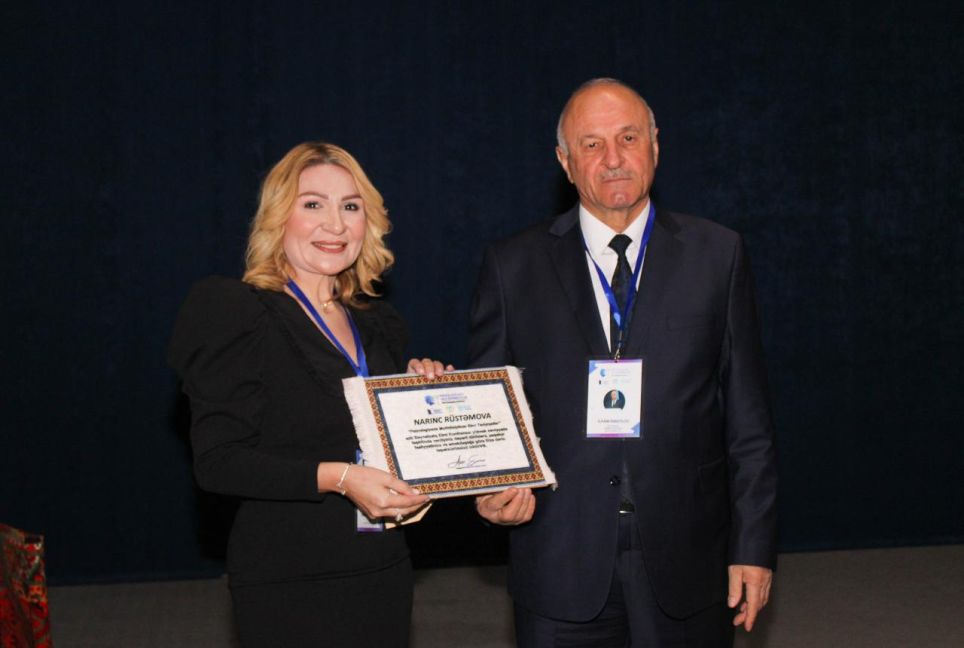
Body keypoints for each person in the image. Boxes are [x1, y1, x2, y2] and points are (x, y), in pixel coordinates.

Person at [470, 79, 777, 646]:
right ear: (565, 162)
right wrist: (489, 489)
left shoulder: (718, 254)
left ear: (655, 146)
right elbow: (492, 407)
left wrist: (753, 546)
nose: (613, 158)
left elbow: (748, 419)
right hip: (559, 559)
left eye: (628, 138)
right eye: (591, 144)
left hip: (689, 556)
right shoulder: (513, 266)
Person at [168, 141, 449, 647]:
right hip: (288, 577)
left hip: (382, 567)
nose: (335, 224)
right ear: (279, 217)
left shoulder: (379, 325)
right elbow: (218, 463)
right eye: (313, 204)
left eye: (351, 206)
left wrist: (422, 393)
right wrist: (340, 478)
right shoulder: (236, 312)